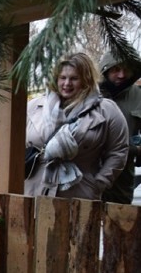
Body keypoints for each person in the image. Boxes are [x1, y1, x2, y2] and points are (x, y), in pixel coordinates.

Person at [25, 52, 128, 200]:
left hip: (80, 192)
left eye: (74, 78)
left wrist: (99, 182)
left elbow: (118, 151)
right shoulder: (34, 106)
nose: (67, 84)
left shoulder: (107, 110)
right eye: (63, 78)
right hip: (34, 190)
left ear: (86, 79)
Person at [99, 51, 141, 204]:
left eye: (126, 69)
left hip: (122, 178)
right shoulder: (90, 94)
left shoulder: (139, 96)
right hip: (89, 173)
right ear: (106, 70)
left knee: (120, 223)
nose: (122, 75)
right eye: (116, 69)